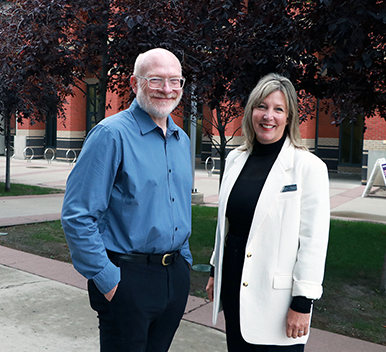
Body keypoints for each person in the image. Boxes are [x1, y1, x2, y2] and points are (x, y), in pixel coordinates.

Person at [61, 48, 193, 352]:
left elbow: (179, 207)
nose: (167, 89)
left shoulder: (181, 140)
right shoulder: (110, 135)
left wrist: (183, 262)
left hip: (174, 277)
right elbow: (77, 215)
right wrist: (107, 279)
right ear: (134, 84)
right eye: (156, 80)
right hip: (127, 278)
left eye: (176, 81)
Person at [205, 73, 330, 351]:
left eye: (278, 109)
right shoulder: (236, 159)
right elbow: (225, 225)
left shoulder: (308, 167)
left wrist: (303, 303)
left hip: (277, 301)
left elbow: (314, 241)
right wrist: (216, 270)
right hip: (235, 287)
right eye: (262, 106)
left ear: (289, 117)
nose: (268, 116)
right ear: (251, 112)